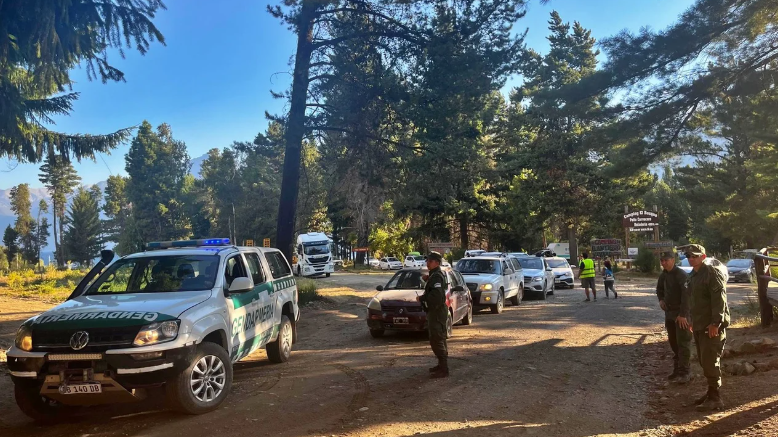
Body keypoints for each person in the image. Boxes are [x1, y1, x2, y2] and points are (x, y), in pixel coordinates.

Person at [682, 244, 730, 411]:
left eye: (694, 256)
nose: (691, 259)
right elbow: (692, 300)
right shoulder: (693, 275)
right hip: (699, 324)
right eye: (688, 256)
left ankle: (715, 398)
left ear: (703, 257)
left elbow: (719, 300)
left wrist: (716, 323)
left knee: (710, 361)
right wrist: (690, 320)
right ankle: (711, 392)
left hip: (711, 325)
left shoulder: (711, 273)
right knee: (704, 360)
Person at [656, 251, 691, 384]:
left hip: (681, 315)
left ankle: (685, 372)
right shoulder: (664, 275)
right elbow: (659, 289)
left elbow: (687, 296)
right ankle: (677, 369)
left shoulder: (681, 275)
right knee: (673, 343)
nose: (664, 263)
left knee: (683, 343)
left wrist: (683, 315)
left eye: (666, 260)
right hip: (669, 314)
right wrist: (661, 300)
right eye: (662, 261)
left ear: (673, 260)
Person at [418, 251, 449, 378]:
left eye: (430, 261)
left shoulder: (437, 276)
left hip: (437, 311)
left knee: (437, 339)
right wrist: (427, 280)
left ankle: (444, 368)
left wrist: (422, 298)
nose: (427, 263)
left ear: (437, 263)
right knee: (437, 338)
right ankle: (441, 365)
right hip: (435, 311)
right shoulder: (433, 275)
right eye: (427, 261)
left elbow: (437, 296)